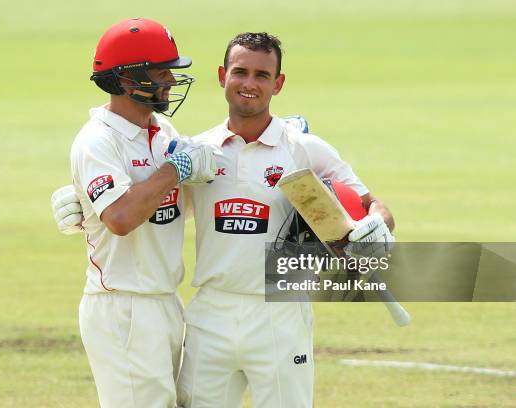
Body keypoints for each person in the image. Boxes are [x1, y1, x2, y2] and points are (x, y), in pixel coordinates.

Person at [53, 32, 395, 407]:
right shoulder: (197, 150)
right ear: (222, 76)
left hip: (279, 311)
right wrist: (84, 204)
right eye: (240, 72)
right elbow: (148, 204)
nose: (249, 84)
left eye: (262, 75)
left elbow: (369, 204)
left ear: (278, 84)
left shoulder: (303, 148)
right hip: (209, 314)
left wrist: (376, 225)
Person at [58, 17, 216, 408]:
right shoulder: (97, 140)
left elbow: (185, 203)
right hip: (123, 306)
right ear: (128, 80)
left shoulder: (161, 130)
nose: (172, 82)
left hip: (164, 299)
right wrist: (174, 171)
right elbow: (122, 219)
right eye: (162, 73)